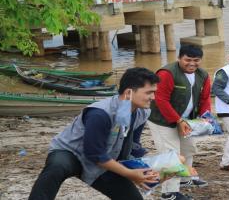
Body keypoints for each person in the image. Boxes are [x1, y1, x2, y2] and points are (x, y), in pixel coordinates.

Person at [29, 68, 160, 200]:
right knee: (57, 167)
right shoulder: (100, 114)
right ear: (128, 93)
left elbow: (133, 147)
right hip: (73, 153)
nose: (153, 97)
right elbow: (95, 154)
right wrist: (130, 174)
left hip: (104, 160)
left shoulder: (142, 112)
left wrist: (153, 170)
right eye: (149, 92)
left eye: (154, 92)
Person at [148, 45, 211, 200]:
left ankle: (185, 179)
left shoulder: (203, 75)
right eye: (187, 60)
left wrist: (206, 116)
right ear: (179, 58)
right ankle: (169, 193)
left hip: (187, 120)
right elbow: (161, 100)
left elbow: (205, 98)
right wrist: (178, 120)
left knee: (189, 149)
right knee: (171, 156)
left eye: (196, 60)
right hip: (163, 121)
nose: (192, 63)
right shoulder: (167, 73)